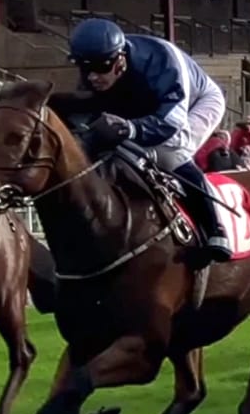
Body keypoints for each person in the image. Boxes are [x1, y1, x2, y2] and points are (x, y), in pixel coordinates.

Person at [66, 18, 233, 267]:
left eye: (101, 68)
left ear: (120, 59)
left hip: (195, 102)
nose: (93, 77)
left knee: (170, 152)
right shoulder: (97, 71)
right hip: (144, 105)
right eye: (85, 68)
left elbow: (170, 123)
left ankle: (215, 230)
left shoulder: (163, 63)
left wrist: (132, 128)